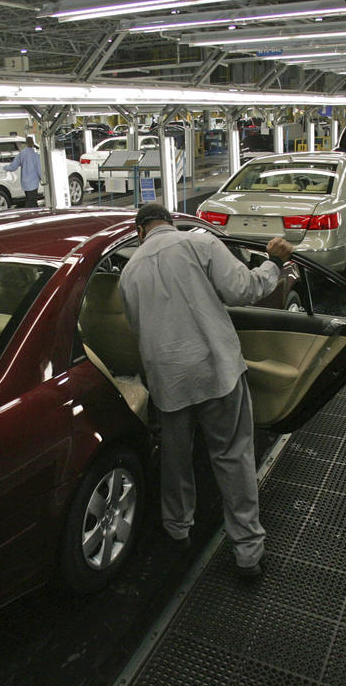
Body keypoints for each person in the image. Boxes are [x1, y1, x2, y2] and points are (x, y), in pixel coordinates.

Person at [118, 204, 294, 579]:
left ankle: (178, 530)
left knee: (176, 459)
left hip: (168, 382)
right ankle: (248, 553)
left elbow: (139, 330)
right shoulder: (200, 245)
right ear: (171, 222)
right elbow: (244, 289)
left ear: (140, 232)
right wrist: (273, 264)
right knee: (232, 458)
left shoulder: (128, 274)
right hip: (217, 373)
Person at [4, 136, 42, 207]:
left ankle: (34, 213)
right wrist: (43, 179)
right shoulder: (36, 156)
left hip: (25, 183)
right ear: (33, 143)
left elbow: (13, 166)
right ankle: (30, 215)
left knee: (30, 199)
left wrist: (5, 168)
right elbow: (39, 169)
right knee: (31, 202)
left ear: (26, 143)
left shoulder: (21, 154)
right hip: (33, 183)